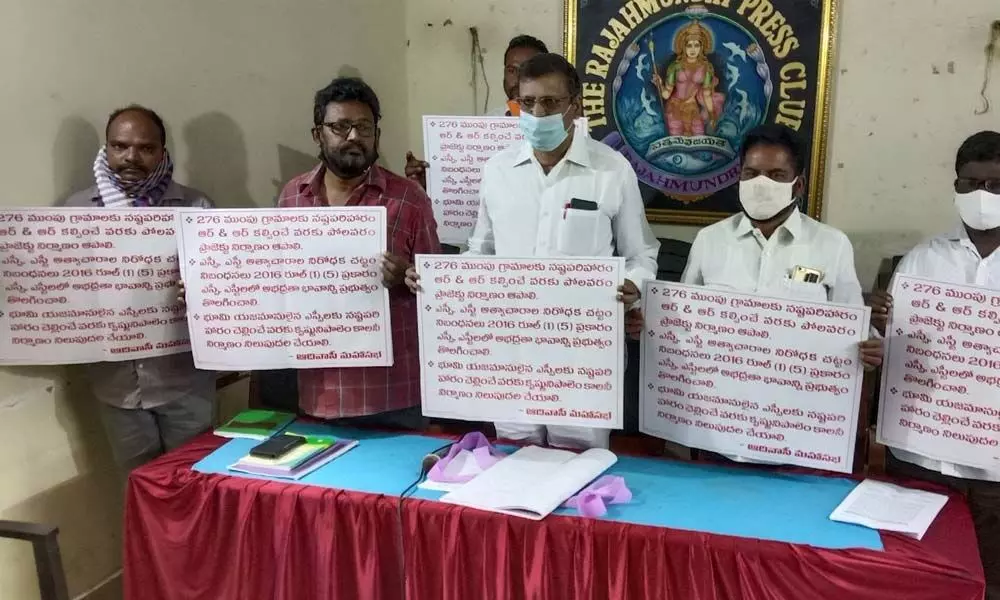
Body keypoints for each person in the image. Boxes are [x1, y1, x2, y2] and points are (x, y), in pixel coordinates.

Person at [407, 53, 659, 450]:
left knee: (578, 465)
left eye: (551, 102)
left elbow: (642, 255)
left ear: (575, 106)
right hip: (511, 351)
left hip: (583, 359)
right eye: (528, 103)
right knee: (513, 455)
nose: (538, 113)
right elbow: (482, 253)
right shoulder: (498, 169)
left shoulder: (612, 170)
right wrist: (440, 278)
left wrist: (633, 284)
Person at [680, 123, 883, 461]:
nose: (762, 184)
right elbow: (683, 323)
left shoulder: (831, 245)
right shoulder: (710, 240)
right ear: (739, 177)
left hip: (797, 432)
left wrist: (871, 346)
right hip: (719, 430)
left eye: (776, 175)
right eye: (752, 173)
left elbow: (854, 328)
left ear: (797, 184)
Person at [870, 130, 1000, 598]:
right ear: (956, 186)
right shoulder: (922, 260)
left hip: (995, 470)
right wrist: (880, 322)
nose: (981, 195)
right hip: (922, 457)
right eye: (970, 184)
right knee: (918, 578)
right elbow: (890, 349)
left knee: (991, 578)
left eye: (995, 185)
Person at [277, 77, 439, 428]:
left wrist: (406, 276)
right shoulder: (293, 195)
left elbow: (439, 293)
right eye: (340, 126)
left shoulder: (408, 197)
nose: (353, 137)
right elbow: (279, 280)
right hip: (319, 390)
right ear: (317, 134)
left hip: (394, 395)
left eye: (364, 127)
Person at [64, 105, 216, 470]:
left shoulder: (196, 208)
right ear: (106, 149)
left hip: (185, 382)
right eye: (120, 146)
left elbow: (223, 289)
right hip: (115, 387)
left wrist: (199, 293)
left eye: (145, 148)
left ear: (162, 153)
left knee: (196, 489)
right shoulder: (75, 212)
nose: (131, 157)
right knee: (138, 491)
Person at [404, 34, 550, 189]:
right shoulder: (483, 128)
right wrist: (431, 183)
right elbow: (467, 185)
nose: (519, 78)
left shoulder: (561, 128)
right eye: (512, 70)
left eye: (528, 70)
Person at [650, 19, 725, 137]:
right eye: (689, 45)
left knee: (699, 139)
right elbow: (665, 95)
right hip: (674, 109)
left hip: (693, 109)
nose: (693, 49)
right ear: (684, 47)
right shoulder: (675, 66)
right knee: (676, 141)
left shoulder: (707, 68)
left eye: (696, 45)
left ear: (701, 47)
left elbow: (706, 95)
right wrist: (659, 84)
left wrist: (711, 115)